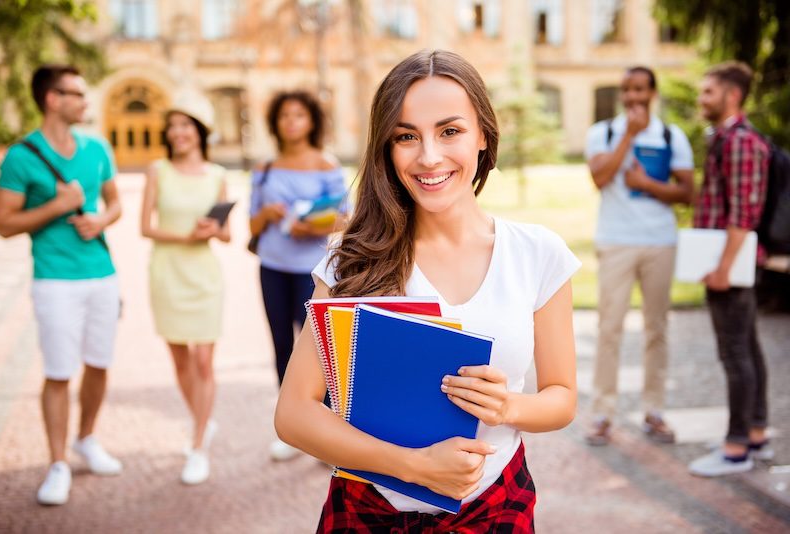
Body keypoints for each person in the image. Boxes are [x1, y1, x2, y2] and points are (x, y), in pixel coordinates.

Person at [274, 49, 580, 531]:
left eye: (450, 131)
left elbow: (562, 397)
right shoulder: (349, 261)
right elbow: (293, 414)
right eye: (406, 136)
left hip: (495, 507)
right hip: (369, 509)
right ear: (386, 148)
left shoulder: (537, 253)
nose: (429, 156)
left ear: (483, 134)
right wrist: (414, 467)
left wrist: (510, 407)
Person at [0, 65, 122, 505]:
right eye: (78, 94)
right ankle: (57, 463)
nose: (86, 102)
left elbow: (115, 201)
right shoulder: (20, 156)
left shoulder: (97, 147)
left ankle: (86, 437)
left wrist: (100, 219)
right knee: (58, 372)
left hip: (102, 274)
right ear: (52, 98)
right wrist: (57, 206)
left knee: (100, 363)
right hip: (54, 280)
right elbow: (5, 224)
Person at [583, 66, 695, 446]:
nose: (633, 96)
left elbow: (687, 192)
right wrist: (628, 137)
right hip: (616, 241)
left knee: (656, 329)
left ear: (652, 93)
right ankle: (602, 413)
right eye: (627, 89)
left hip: (659, 241)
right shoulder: (604, 133)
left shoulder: (670, 135)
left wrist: (647, 184)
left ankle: (654, 410)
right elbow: (599, 178)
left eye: (640, 89)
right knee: (609, 328)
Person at [249, 90, 347, 462]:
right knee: (280, 345)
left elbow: (346, 217)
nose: (291, 121)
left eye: (299, 115)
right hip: (272, 266)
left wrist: (312, 226)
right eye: (284, 115)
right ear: (275, 122)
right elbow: (251, 221)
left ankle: (326, 432)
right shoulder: (265, 167)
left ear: (312, 122)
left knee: (321, 350)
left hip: (315, 272)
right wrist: (268, 216)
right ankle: (290, 428)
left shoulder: (326, 165)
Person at [140, 89, 230, 485]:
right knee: (179, 361)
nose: (178, 132)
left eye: (185, 125)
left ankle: (197, 446)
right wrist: (186, 238)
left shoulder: (217, 175)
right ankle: (201, 420)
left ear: (199, 131)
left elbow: (226, 235)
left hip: (204, 277)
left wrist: (212, 230)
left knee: (204, 362)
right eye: (173, 125)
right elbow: (145, 227)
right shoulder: (156, 170)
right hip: (167, 272)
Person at [688, 62, 771, 477]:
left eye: (708, 92)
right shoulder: (725, 138)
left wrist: (722, 268)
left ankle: (737, 447)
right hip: (726, 264)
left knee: (735, 352)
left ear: (731, 96)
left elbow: (744, 213)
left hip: (730, 268)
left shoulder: (739, 142)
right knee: (748, 348)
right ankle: (755, 431)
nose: (701, 99)